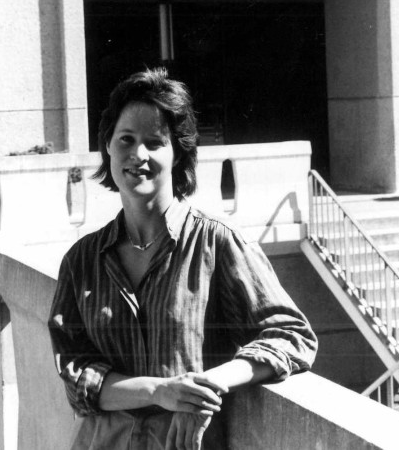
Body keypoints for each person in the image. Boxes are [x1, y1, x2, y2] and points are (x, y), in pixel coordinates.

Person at [48, 67, 317, 450]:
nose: (138, 155)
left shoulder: (217, 243)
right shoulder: (81, 260)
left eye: (154, 142)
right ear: (108, 145)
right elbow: (78, 375)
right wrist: (160, 390)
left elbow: (291, 336)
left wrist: (205, 387)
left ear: (177, 154)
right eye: (125, 139)